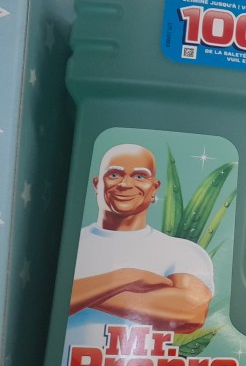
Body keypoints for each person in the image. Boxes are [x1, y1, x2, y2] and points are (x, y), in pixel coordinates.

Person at [69, 144, 214, 339]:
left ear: (154, 188)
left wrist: (77, 294)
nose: (125, 184)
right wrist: (126, 277)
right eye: (114, 174)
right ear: (97, 184)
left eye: (139, 176)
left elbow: (191, 312)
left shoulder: (180, 251)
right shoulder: (69, 246)